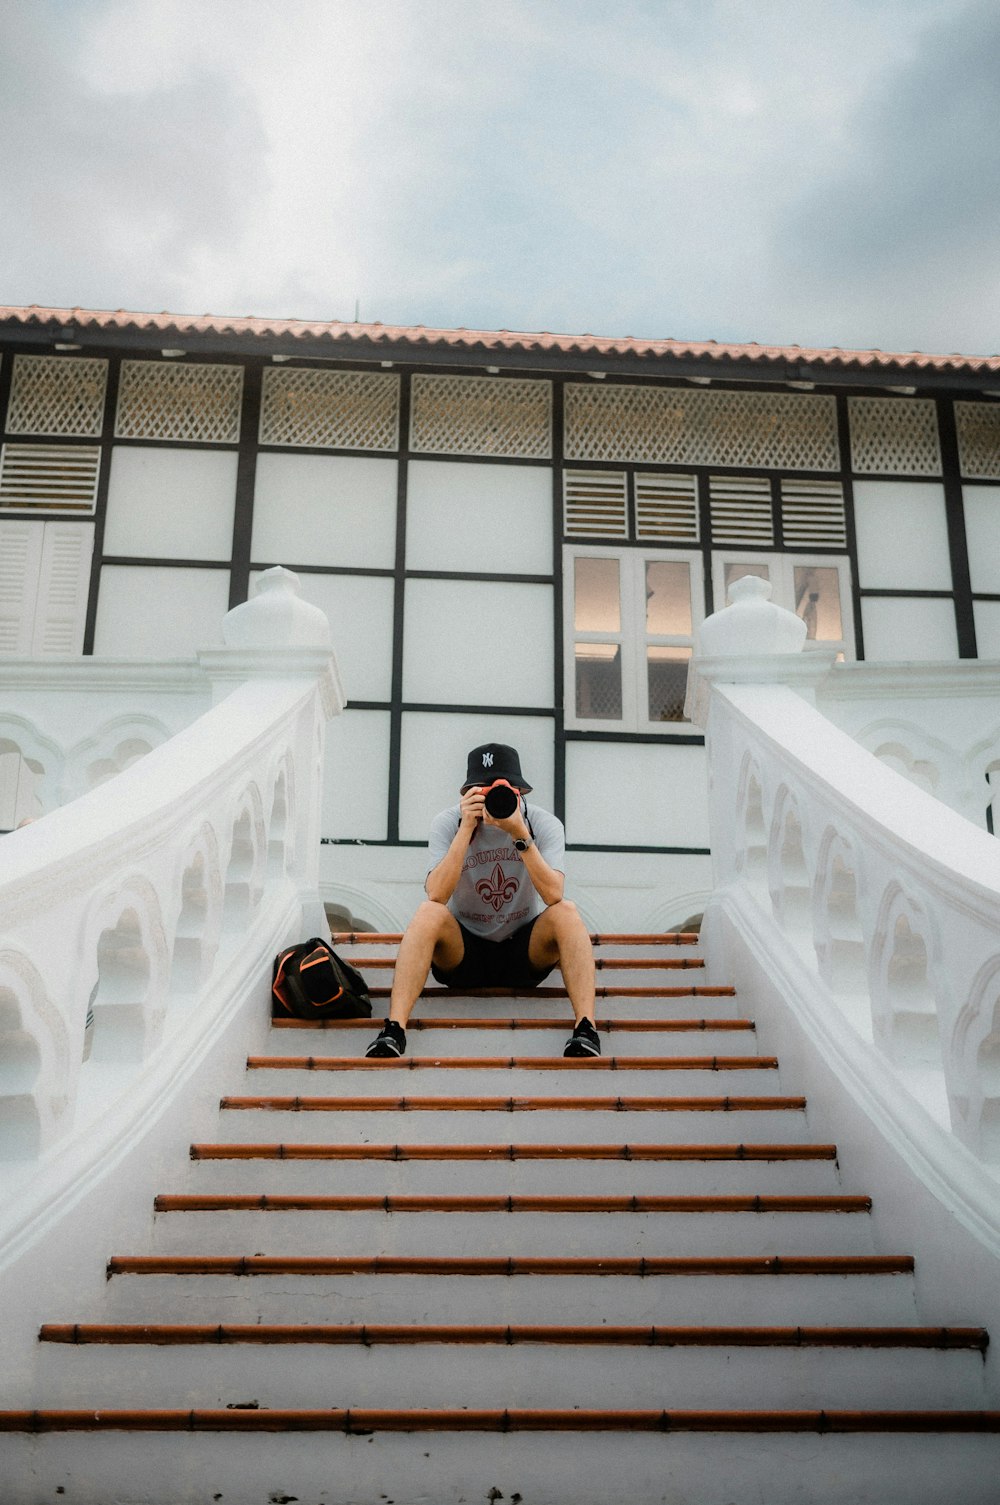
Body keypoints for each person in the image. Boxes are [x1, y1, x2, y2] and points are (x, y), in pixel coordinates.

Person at [365, 742, 598, 1059]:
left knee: (567, 912)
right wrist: (466, 830)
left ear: (520, 792)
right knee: (427, 912)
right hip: (465, 953)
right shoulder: (448, 823)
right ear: (467, 793)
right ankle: (394, 1029)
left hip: (523, 950)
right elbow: (437, 894)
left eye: (501, 790)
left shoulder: (543, 824)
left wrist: (519, 832)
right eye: (483, 790)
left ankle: (586, 1028)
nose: (492, 798)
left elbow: (553, 894)